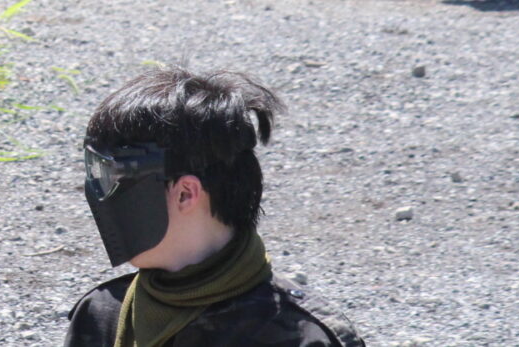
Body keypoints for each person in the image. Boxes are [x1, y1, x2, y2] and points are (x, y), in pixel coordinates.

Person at [63, 67, 365, 347]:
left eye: (112, 177)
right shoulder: (103, 314)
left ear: (186, 194)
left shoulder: (298, 337)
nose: (100, 194)